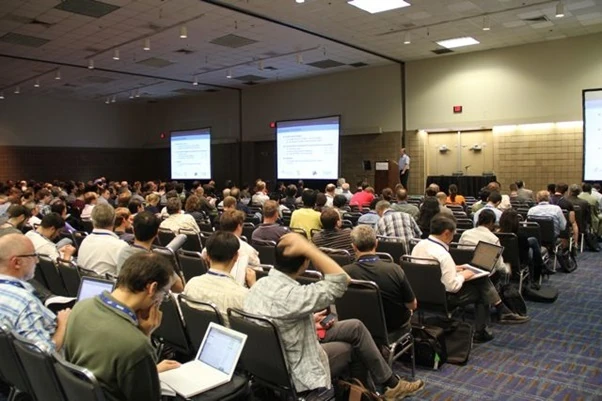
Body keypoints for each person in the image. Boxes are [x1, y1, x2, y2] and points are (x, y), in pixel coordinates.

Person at [244, 234, 424, 398]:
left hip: (276, 357)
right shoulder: (294, 296)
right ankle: (369, 395)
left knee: (355, 327)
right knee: (353, 349)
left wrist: (308, 320)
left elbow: (277, 317)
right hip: (298, 367)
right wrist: (310, 249)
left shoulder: (260, 284)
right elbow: (341, 280)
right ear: (305, 262)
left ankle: (391, 384)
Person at [63, 253, 180, 401]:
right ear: (152, 288)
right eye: (165, 294)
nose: (162, 300)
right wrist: (145, 337)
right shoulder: (136, 346)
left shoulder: (80, 308)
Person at [411, 215, 529, 343]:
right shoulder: (443, 255)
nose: (453, 237)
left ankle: (502, 311)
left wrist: (454, 268)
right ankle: (482, 331)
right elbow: (452, 287)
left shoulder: (419, 245)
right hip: (443, 299)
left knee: (480, 279)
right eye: (453, 234)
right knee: (481, 290)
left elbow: (428, 269)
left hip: (421, 295)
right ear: (446, 233)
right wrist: (464, 275)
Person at [0, 233, 71, 351]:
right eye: (33, 255)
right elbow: (42, 353)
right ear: (16, 262)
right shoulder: (24, 301)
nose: (37, 261)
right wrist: (63, 325)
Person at [344, 225, 417, 332]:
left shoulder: (344, 273)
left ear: (353, 247)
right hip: (394, 328)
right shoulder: (395, 269)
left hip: (359, 328)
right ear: (376, 243)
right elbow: (412, 305)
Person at [184, 231, 256, 325]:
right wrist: (254, 286)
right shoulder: (243, 296)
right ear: (236, 256)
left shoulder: (191, 284)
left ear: (207, 256)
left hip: (196, 333)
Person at [115, 211, 184, 292]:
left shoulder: (123, 251)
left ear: (133, 230)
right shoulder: (157, 261)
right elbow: (179, 287)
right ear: (156, 233)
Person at [203, 210, 259, 286]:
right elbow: (257, 274)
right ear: (239, 226)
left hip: (210, 284)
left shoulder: (208, 248)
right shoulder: (249, 251)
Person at [498, 209, 547, 287]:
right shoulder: (520, 236)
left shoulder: (497, 234)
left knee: (533, 241)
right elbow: (525, 255)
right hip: (519, 263)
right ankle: (537, 272)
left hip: (503, 260)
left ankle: (541, 266)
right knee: (532, 248)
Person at [78, 204, 129, 276]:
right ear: (114, 220)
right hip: (109, 283)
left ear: (92, 220)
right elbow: (126, 278)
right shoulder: (121, 246)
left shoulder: (85, 241)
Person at [459, 209, 509, 277]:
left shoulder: (465, 233)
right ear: (491, 222)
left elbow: (459, 252)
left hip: (465, 270)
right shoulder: (494, 239)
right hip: (485, 274)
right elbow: (499, 265)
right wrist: (507, 270)